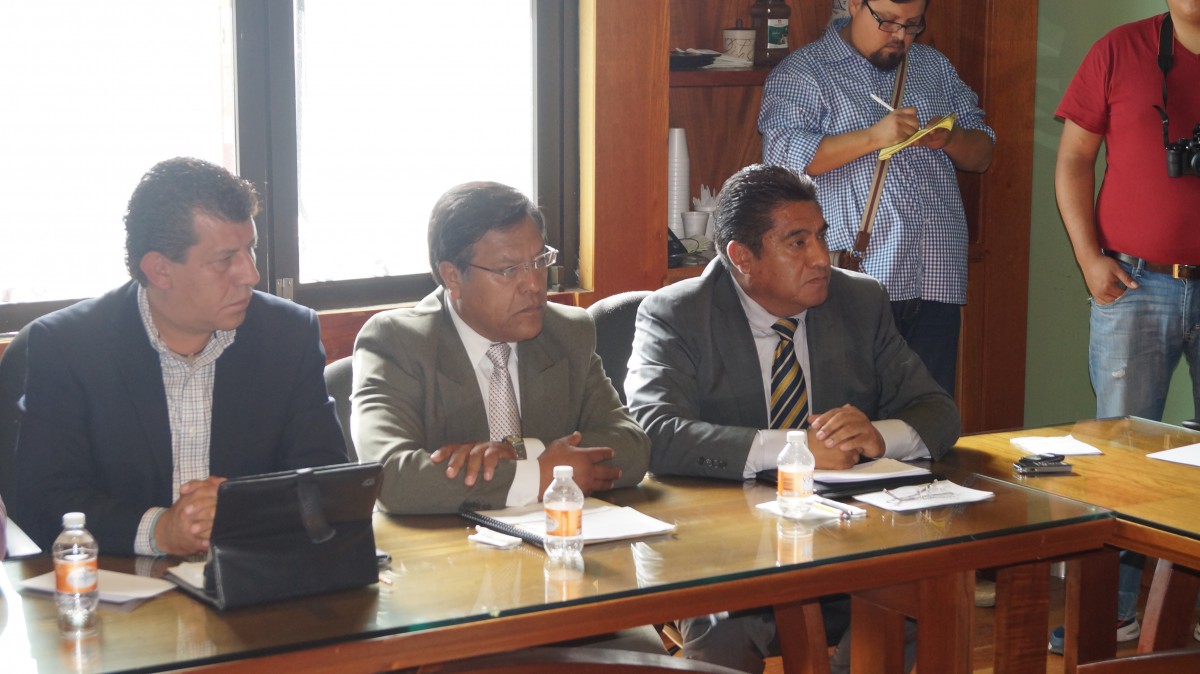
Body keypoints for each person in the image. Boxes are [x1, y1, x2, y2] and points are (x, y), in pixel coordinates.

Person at [624, 164, 960, 673]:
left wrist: (877, 436)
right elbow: (655, 431)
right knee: (725, 630)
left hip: (847, 540)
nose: (821, 258)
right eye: (797, 243)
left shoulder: (859, 299)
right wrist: (793, 449)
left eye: (821, 236)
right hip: (729, 551)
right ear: (742, 257)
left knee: (921, 597)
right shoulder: (677, 313)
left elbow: (938, 411)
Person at [12, 157, 348, 556]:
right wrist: (158, 530)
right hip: (119, 580)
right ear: (160, 270)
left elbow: (328, 479)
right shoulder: (69, 346)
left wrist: (243, 507)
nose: (251, 274)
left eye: (250, 249)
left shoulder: (287, 334)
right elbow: (42, 499)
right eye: (225, 259)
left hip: (250, 570)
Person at [352, 181, 650, 515]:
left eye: (539, 261)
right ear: (452, 277)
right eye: (508, 270)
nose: (534, 285)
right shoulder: (398, 342)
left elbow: (633, 447)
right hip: (448, 544)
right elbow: (389, 477)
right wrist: (536, 477)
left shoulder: (568, 332)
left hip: (555, 536)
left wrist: (522, 451)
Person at [1051, 0, 1200, 654]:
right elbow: (1073, 160)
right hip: (1133, 282)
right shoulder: (1119, 50)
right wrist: (1090, 259)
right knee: (1119, 456)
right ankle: (1109, 615)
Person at [758, 0, 994, 396]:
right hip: (857, 281)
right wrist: (874, 137)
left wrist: (951, 139)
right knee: (851, 417)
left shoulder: (934, 67)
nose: (900, 35)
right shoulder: (805, 71)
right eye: (888, 22)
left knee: (929, 416)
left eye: (912, 25)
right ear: (855, 4)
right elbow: (782, 157)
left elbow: (983, 153)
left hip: (937, 279)